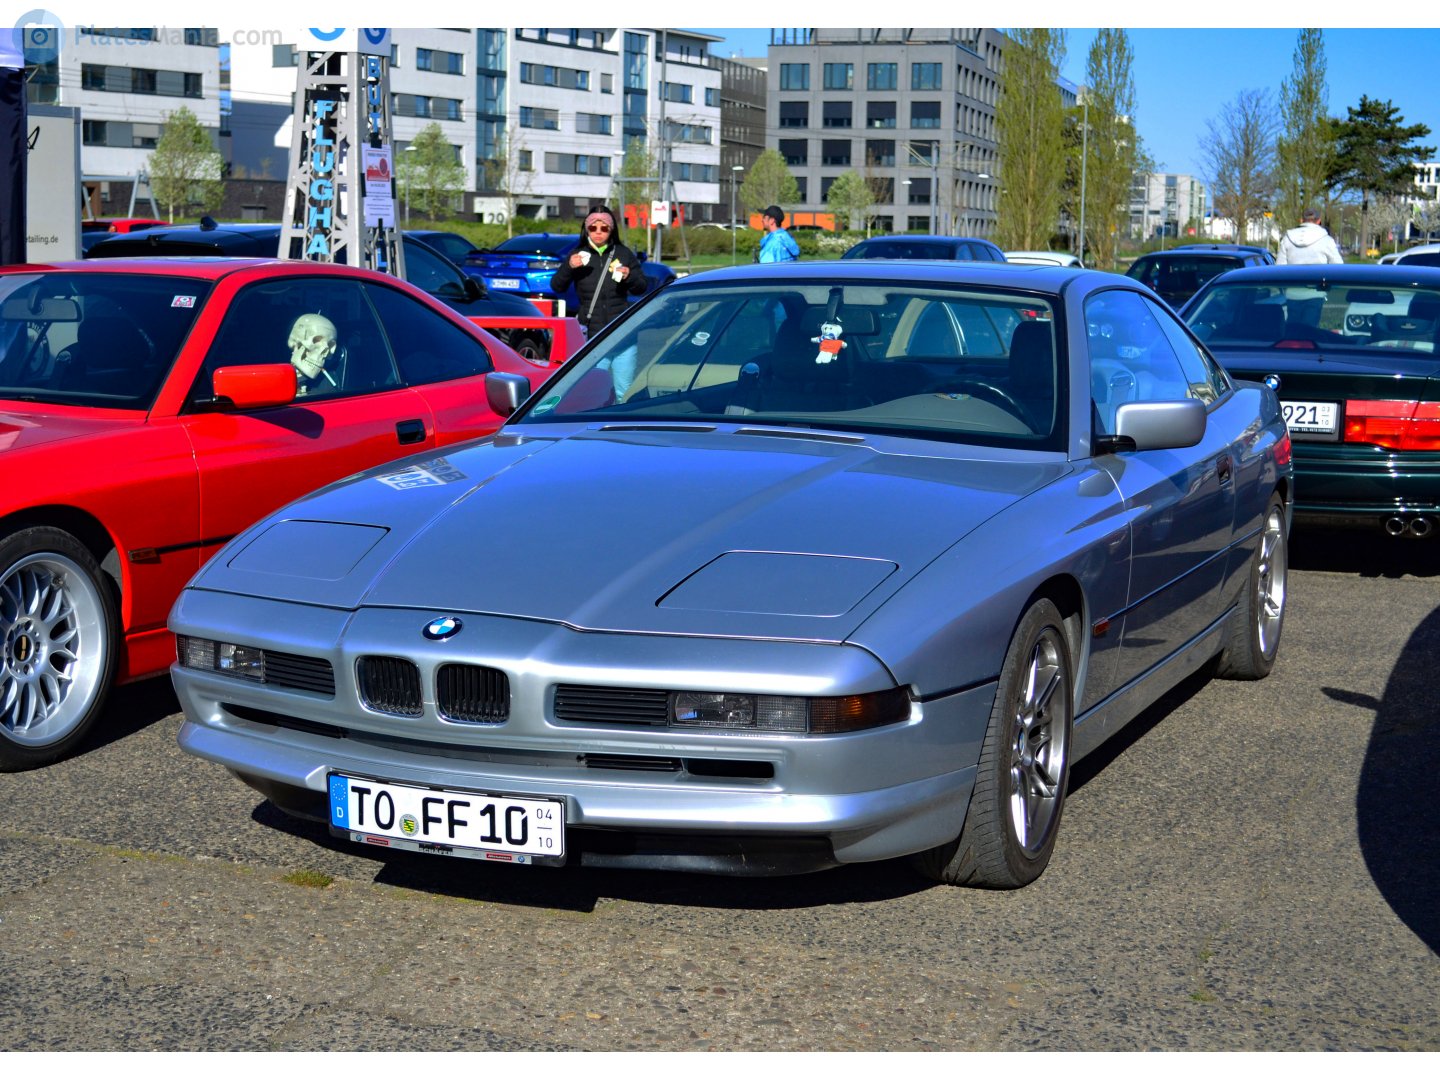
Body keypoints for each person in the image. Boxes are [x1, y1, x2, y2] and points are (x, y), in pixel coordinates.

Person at [550, 205, 648, 337]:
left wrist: (629, 276)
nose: (598, 232)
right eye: (592, 227)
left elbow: (641, 287)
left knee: (625, 358)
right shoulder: (577, 254)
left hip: (621, 329)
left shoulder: (623, 253)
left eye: (604, 228)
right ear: (587, 230)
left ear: (611, 230)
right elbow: (557, 286)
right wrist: (569, 266)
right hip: (591, 332)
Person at [1277, 208, 1343, 265]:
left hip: (1292, 279)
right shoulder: (1327, 240)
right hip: (1320, 279)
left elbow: (1279, 267)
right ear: (1319, 221)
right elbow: (1338, 267)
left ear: (1301, 220)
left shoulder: (1287, 239)